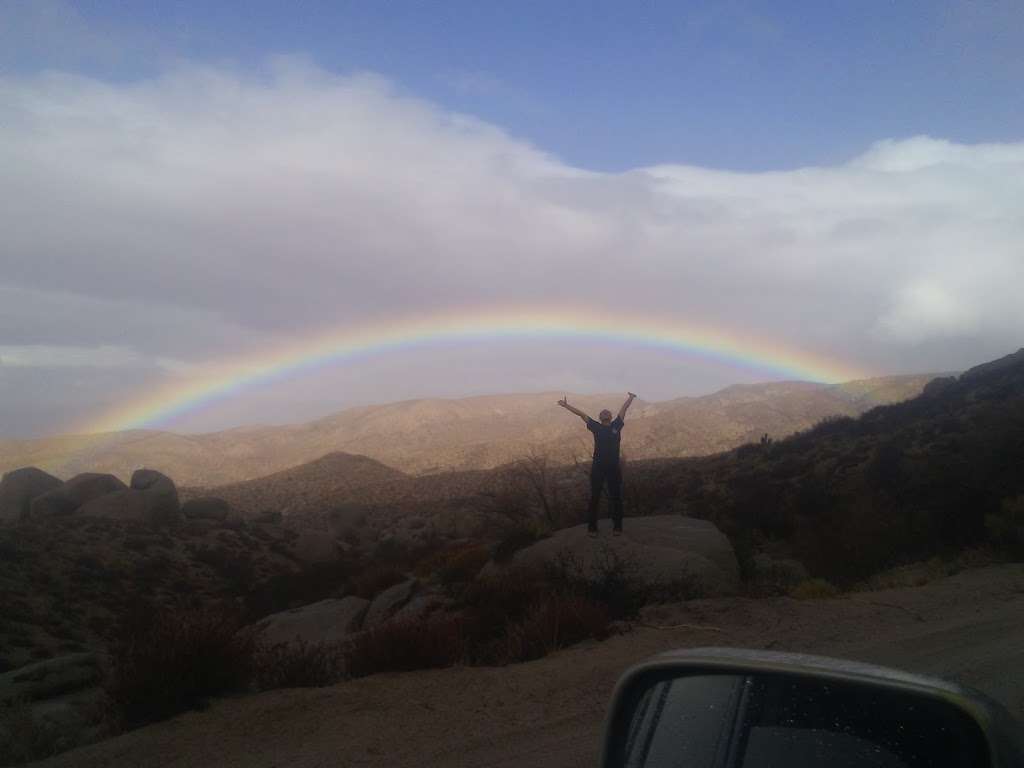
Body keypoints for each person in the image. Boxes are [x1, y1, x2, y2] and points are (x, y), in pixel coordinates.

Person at [557, 392, 636, 537]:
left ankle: (617, 527)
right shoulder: (596, 427)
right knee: (595, 497)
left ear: (611, 416)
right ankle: (592, 528)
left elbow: (624, 409)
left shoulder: (617, 425)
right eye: (603, 412)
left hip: (613, 467)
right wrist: (567, 406)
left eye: (607, 412)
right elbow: (581, 414)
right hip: (598, 467)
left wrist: (630, 398)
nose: (605, 413)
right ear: (600, 417)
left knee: (616, 497)